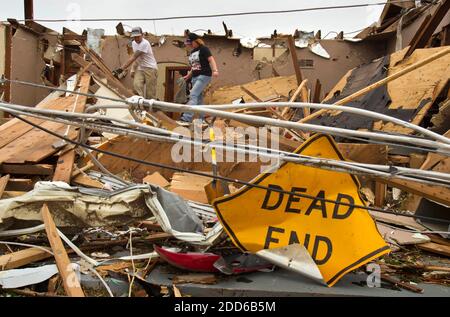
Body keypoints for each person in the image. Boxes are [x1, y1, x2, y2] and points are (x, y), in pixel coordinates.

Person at [178, 32, 219, 124]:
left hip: (204, 75)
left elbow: (211, 60)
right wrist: (188, 76)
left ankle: (186, 118)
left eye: (191, 43)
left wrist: (215, 70)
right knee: (199, 98)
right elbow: (194, 66)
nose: (190, 45)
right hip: (195, 77)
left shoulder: (204, 49)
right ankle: (202, 119)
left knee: (193, 94)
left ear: (195, 41)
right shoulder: (192, 52)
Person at [113, 27, 158, 99]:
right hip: (141, 68)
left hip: (150, 68)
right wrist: (133, 69)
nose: (136, 39)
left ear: (142, 35)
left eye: (138, 36)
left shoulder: (145, 43)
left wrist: (121, 69)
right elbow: (137, 59)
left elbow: (134, 57)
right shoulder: (134, 43)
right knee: (136, 85)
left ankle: (151, 108)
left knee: (150, 92)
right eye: (134, 37)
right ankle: (140, 103)